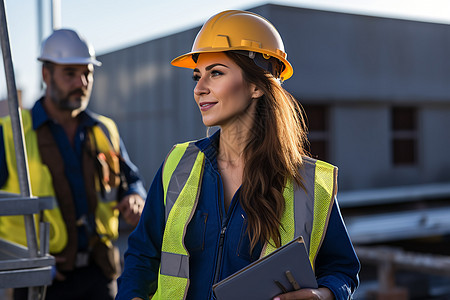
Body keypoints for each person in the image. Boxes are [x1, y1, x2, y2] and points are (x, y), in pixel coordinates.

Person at [116, 10, 359, 300]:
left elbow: (342, 269)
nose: (199, 89)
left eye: (215, 73)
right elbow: (142, 255)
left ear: (256, 85)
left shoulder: (310, 184)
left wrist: (324, 295)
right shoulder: (178, 165)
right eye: (197, 75)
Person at [0, 29, 146, 300]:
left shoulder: (105, 129)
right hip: (40, 281)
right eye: (70, 73)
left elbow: (131, 179)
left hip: (99, 273)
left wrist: (135, 195)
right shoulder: (11, 133)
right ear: (46, 75)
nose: (81, 82)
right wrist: (26, 261)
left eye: (87, 73)